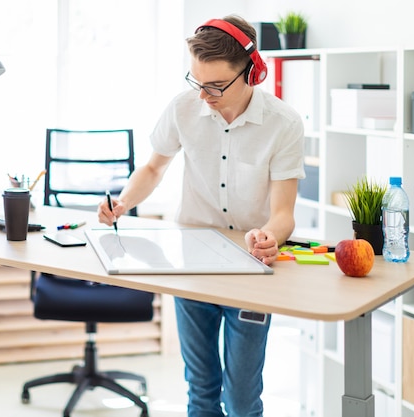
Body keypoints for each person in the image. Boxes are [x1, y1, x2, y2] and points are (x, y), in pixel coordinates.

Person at [98, 15, 305, 417]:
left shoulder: (284, 124)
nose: (204, 95)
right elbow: (154, 168)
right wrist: (124, 201)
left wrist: (269, 236)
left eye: (216, 86)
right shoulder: (183, 108)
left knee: (243, 399)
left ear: (252, 72)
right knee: (201, 389)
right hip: (191, 260)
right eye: (197, 82)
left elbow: (283, 213)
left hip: (251, 267)